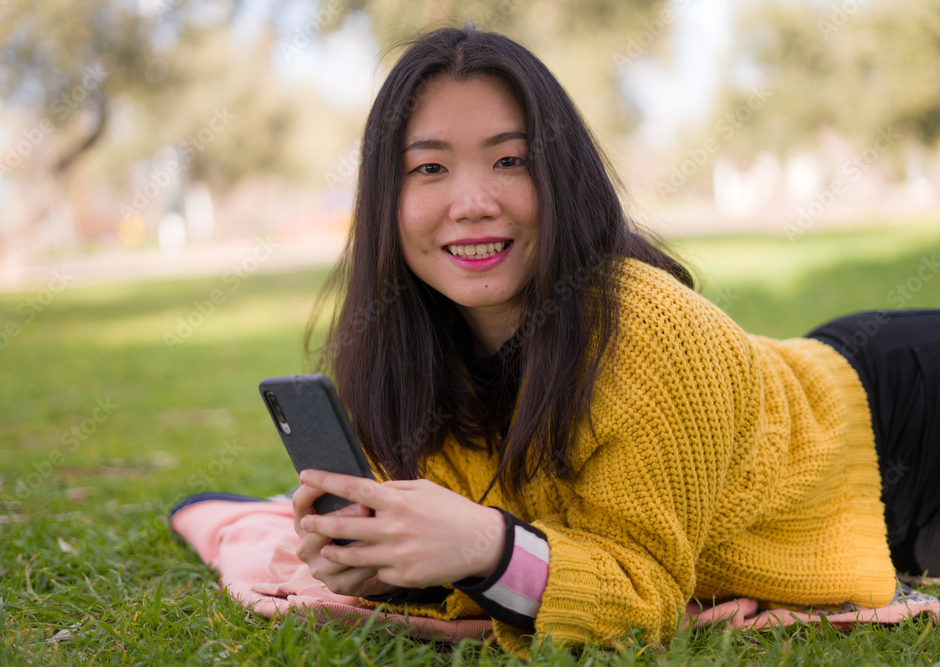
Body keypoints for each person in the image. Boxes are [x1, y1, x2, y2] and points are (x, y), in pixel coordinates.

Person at [287, 25, 940, 652]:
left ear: (562, 177)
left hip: (903, 418)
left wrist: (489, 545)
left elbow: (638, 596)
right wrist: (388, 567)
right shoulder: (402, 354)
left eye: (510, 160)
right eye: (429, 168)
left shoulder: (648, 329)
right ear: (383, 198)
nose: (473, 201)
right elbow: (475, 561)